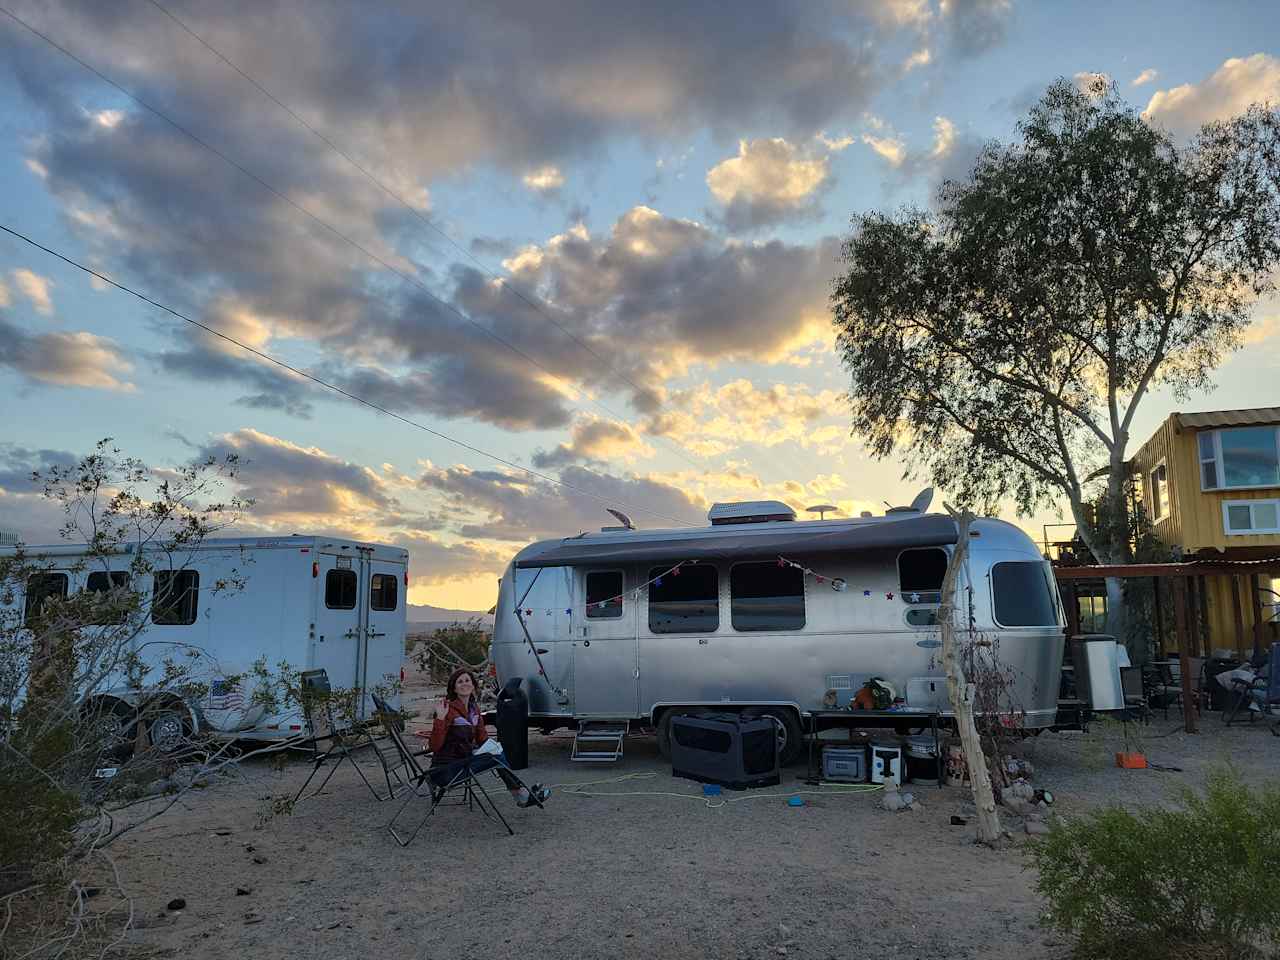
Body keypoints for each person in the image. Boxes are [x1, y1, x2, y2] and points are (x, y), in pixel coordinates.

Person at [422, 667, 550, 807]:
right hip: (446, 770)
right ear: (454, 688)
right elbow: (434, 746)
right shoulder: (447, 710)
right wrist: (440, 719)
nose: (464, 684)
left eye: (467, 680)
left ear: (473, 685)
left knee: (497, 753)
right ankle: (521, 794)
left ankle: (521, 793)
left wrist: (493, 746)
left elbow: (482, 739)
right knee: (495, 757)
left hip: (463, 762)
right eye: (460, 682)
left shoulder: (473, 709)